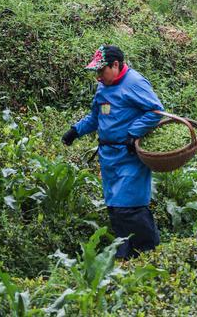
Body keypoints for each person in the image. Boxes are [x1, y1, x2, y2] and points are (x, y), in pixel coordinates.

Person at [61, 44, 163, 258]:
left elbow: (155, 111)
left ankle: (149, 253)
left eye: (101, 70)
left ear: (115, 65)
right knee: (115, 208)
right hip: (109, 158)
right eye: (96, 71)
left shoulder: (134, 83)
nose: (98, 76)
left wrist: (134, 133)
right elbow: (96, 117)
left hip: (129, 155)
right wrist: (75, 131)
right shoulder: (103, 87)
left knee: (131, 206)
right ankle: (125, 257)